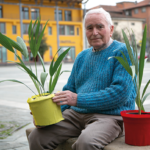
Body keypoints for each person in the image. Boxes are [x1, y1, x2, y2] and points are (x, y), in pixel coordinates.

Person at [28, 8, 136, 150]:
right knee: (37, 137)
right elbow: (70, 89)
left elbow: (120, 93)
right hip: (76, 115)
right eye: (89, 28)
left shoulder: (122, 51)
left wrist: (77, 99)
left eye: (100, 27)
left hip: (109, 116)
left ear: (110, 29)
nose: (94, 32)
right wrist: (49, 111)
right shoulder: (82, 56)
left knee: (86, 143)